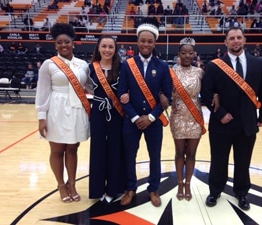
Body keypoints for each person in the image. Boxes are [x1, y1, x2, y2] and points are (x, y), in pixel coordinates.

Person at [201, 27, 262, 211]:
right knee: (218, 160)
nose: (236, 41)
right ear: (225, 42)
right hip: (222, 123)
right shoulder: (214, 65)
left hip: (247, 123)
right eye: (232, 38)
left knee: (243, 161)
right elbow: (206, 94)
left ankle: (241, 193)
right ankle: (215, 191)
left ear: (244, 40)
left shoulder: (257, 63)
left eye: (239, 37)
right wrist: (220, 113)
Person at [117, 17, 172, 207]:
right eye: (143, 40)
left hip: (153, 121)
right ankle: (130, 188)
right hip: (131, 120)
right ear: (137, 41)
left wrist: (149, 117)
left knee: (154, 156)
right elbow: (121, 93)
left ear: (154, 42)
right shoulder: (127, 65)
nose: (146, 44)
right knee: (129, 156)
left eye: (150, 41)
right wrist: (134, 117)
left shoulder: (163, 66)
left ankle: (154, 189)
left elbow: (167, 97)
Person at [35, 23, 91, 203]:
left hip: (77, 109)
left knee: (73, 148)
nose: (63, 45)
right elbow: (42, 92)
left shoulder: (83, 65)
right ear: (55, 45)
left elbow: (90, 86)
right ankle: (61, 185)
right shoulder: (48, 65)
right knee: (57, 150)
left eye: (67, 42)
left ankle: (72, 183)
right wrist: (41, 117)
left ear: (73, 43)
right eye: (59, 43)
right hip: (56, 110)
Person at [88, 35, 126, 203]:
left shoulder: (122, 68)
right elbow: (84, 89)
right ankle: (97, 189)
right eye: (104, 46)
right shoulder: (90, 68)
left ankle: (114, 188)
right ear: (98, 48)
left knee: (115, 149)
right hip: (98, 111)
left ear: (115, 49)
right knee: (97, 149)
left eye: (111, 47)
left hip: (117, 113)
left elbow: (128, 88)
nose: (107, 50)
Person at [169, 37, 206, 201]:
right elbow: (162, 90)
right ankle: (179, 183)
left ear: (194, 54)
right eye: (183, 53)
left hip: (195, 116)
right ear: (179, 54)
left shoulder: (200, 72)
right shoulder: (171, 72)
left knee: (191, 154)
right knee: (179, 153)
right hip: (177, 116)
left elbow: (210, 90)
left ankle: (188, 183)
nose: (187, 56)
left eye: (190, 53)